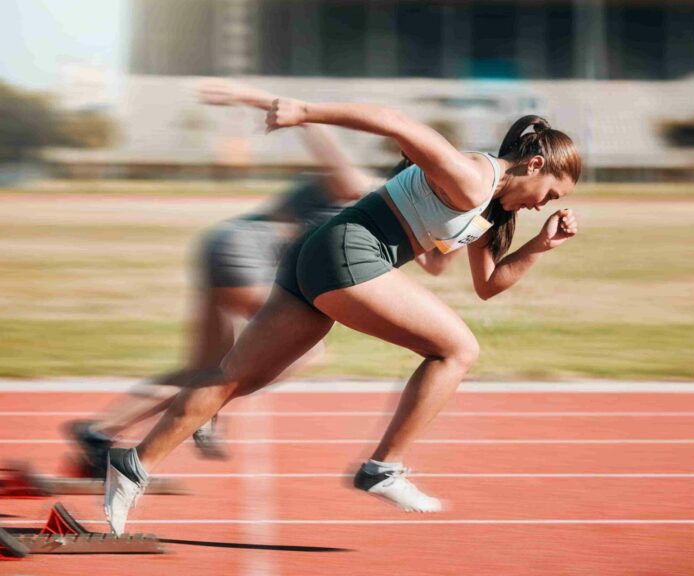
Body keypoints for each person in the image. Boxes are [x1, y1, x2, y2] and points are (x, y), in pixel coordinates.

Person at [103, 94, 580, 535]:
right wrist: (304, 112)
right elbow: (395, 121)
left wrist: (539, 245)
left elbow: (483, 284)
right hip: (347, 250)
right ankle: (383, 469)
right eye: (550, 194)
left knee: (234, 378)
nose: (544, 206)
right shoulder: (474, 175)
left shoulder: (491, 211)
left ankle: (133, 466)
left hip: (320, 254)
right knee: (458, 349)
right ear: (535, 164)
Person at [66, 82, 381, 476]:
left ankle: (97, 432)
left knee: (203, 368)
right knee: (305, 349)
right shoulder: (359, 185)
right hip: (244, 253)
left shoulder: (387, 215)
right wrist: (250, 97)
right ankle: (208, 408)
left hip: (226, 246)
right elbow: (313, 125)